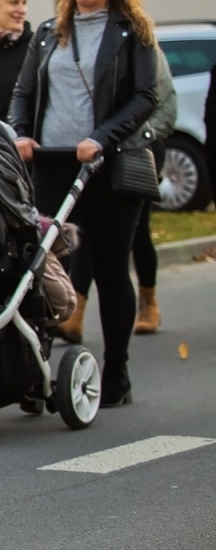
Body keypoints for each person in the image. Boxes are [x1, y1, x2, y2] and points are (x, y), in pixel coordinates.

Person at [11, 0, 158, 408]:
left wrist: (104, 136)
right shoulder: (51, 31)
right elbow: (24, 92)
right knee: (40, 268)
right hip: (53, 165)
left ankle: (117, 372)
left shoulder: (131, 32)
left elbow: (145, 97)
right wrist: (20, 133)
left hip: (108, 167)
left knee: (112, 270)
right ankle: (36, 371)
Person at [65, 44, 178, 336]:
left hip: (139, 150)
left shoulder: (145, 48)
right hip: (95, 147)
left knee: (137, 230)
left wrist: (139, 136)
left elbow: (167, 107)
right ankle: (75, 312)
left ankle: (148, 302)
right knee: (85, 227)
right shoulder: (89, 47)